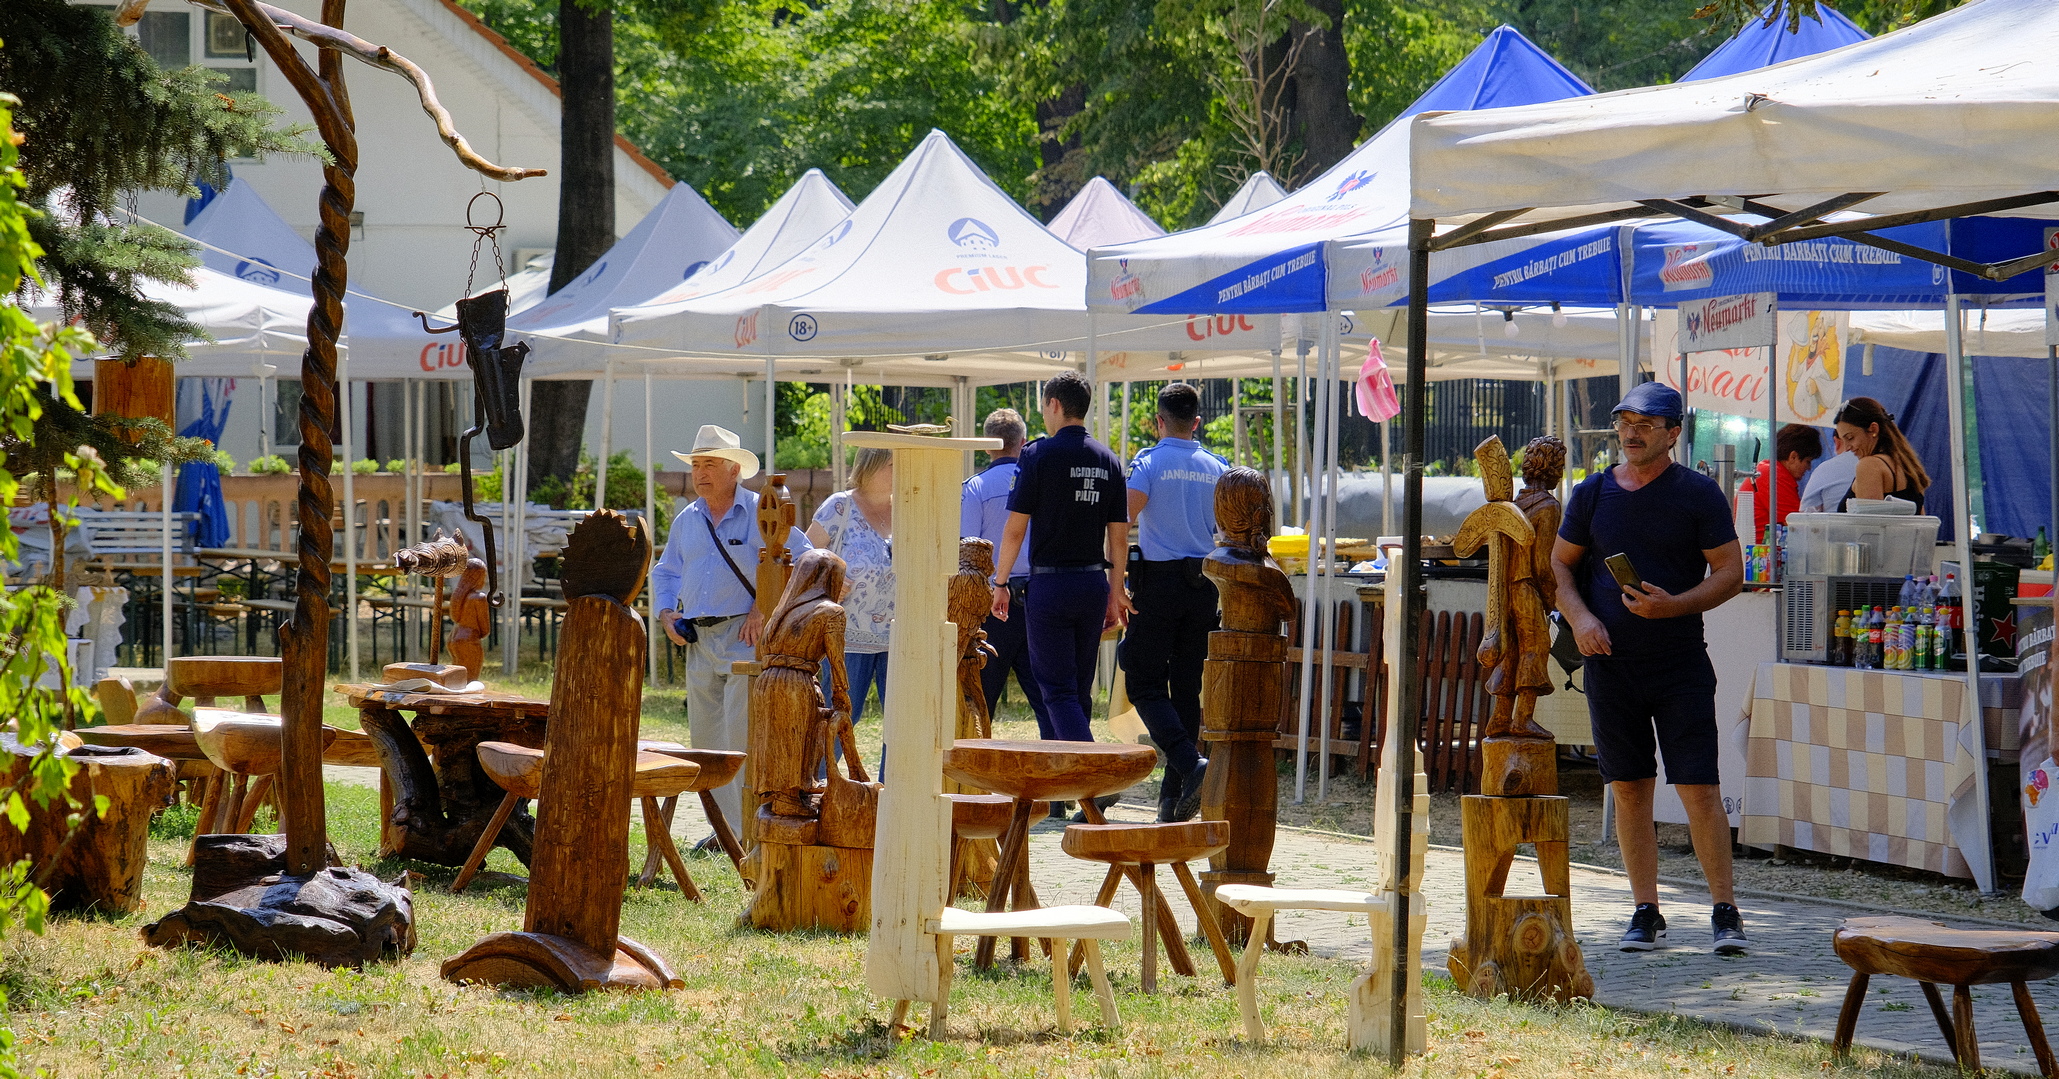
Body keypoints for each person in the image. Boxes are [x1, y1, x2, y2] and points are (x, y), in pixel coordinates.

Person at [1551, 382, 1747, 955]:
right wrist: (1582, 620)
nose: (1632, 432)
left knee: (1698, 787)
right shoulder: (1590, 495)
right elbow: (1559, 570)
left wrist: (1674, 605)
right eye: (1625, 421)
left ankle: (1725, 910)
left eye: (1645, 422)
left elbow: (1730, 572)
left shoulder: (1698, 494)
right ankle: (1645, 909)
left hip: (1679, 662)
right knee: (1629, 789)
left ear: (1672, 433)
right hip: (1610, 664)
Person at [650, 424, 810, 834]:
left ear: (734, 470)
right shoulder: (687, 518)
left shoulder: (765, 510)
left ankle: (745, 830)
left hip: (746, 636)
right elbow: (666, 571)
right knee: (705, 742)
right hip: (698, 638)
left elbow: (804, 563)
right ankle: (722, 832)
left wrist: (764, 608)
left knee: (740, 740)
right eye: (696, 465)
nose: (699, 473)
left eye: (709, 465)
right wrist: (667, 614)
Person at [989, 371, 1130, 754]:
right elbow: (1119, 537)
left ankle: (1093, 776)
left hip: (1050, 587)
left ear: (1054, 405)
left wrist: (1000, 583)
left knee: (1057, 691)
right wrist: (1115, 592)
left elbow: (1014, 530)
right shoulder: (1109, 460)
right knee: (1077, 693)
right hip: (1092, 584)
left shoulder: (1037, 455)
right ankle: (1065, 788)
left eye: (1044, 408)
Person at [1121, 383, 1228, 822]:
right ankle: (1174, 799)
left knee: (1143, 682)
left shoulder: (1147, 463)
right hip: (1203, 585)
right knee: (1185, 688)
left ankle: (1189, 765)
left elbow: (1123, 517)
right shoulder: (1218, 467)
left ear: (1157, 421)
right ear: (1197, 422)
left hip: (1158, 584)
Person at [960, 408, 1051, 735]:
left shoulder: (975, 488)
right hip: (1040, 594)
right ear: (1023, 442)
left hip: (991, 601)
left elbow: (967, 550)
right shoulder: (1043, 483)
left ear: (987, 446)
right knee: (1047, 697)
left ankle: (978, 773)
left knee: (983, 696)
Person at [806, 447, 894, 734]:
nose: (900, 472)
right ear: (870, 467)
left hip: (900, 639)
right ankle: (819, 780)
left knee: (901, 728)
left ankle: (894, 781)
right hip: (846, 640)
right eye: (892, 465)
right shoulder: (839, 507)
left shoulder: (909, 507)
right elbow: (805, 559)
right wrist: (828, 579)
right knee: (839, 722)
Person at [1834, 396, 1929, 512]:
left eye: (1850, 438)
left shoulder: (1869, 465)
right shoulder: (1908, 465)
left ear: (1873, 429)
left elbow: (1870, 525)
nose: (1847, 448)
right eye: (1843, 441)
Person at [1737, 423, 1822, 537]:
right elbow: (1799, 525)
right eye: (1808, 461)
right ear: (1793, 457)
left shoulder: (1768, 470)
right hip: (1758, 552)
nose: (1809, 468)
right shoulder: (1775, 477)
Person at [1798, 447, 1859, 514]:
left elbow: (1805, 515)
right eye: (1808, 462)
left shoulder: (1825, 469)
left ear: (1837, 442)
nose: (1809, 468)